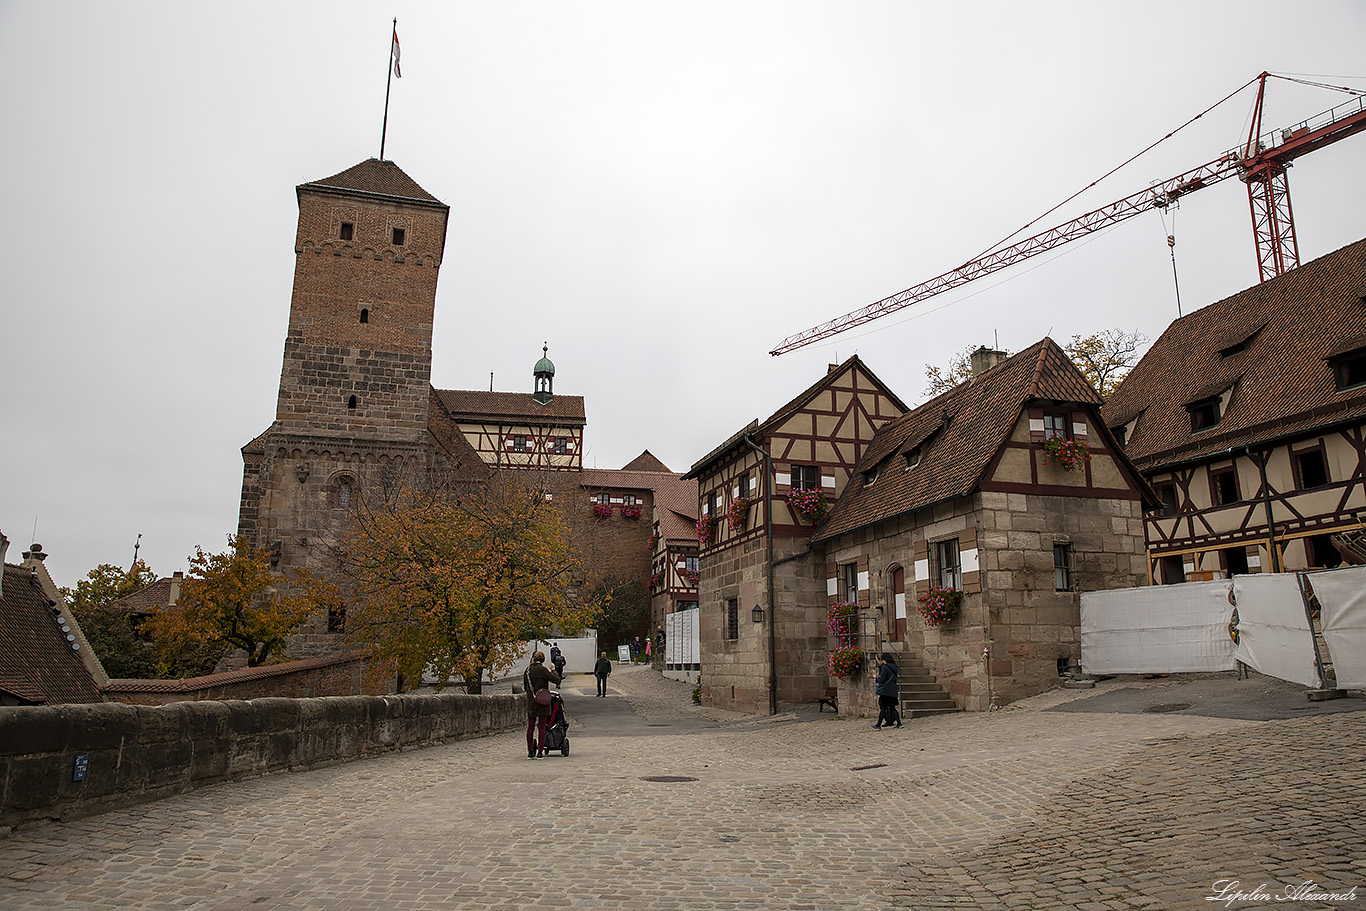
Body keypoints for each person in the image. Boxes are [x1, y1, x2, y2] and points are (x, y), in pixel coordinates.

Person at [523, 651, 561, 758]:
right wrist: (553, 670)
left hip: (531, 701)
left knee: (530, 726)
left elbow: (525, 686)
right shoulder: (543, 670)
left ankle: (530, 751)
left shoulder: (528, 670)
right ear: (543, 659)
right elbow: (556, 680)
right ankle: (540, 751)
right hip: (542, 701)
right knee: (542, 727)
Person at [873, 653, 902, 730]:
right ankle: (899, 723)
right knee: (892, 708)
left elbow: (882, 680)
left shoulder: (885, 668)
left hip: (886, 691)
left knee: (883, 707)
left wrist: (876, 678)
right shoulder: (894, 667)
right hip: (893, 689)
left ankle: (878, 725)